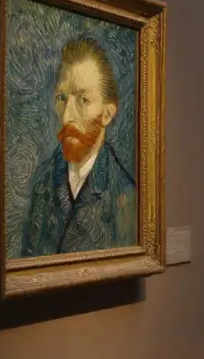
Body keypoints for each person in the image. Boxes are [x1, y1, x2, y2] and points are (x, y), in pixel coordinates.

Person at [19, 36, 138, 258]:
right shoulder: (44, 181)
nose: (66, 118)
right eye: (61, 98)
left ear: (107, 114)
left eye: (83, 100)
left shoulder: (125, 196)